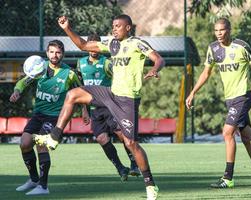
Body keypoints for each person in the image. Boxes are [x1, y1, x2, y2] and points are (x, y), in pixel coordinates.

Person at [34, 14, 165, 200]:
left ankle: (150, 184)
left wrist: (154, 69)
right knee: (73, 94)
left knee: (131, 144)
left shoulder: (137, 43)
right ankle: (54, 137)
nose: (114, 28)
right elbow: (83, 45)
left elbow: (159, 58)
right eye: (113, 25)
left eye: (118, 26)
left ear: (128, 28)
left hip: (127, 100)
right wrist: (67, 28)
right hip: (110, 94)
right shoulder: (112, 43)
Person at [186, 18, 251, 189]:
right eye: (216, 30)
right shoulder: (213, 49)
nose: (219, 33)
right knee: (247, 139)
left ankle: (228, 178)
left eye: (222, 30)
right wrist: (193, 92)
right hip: (230, 99)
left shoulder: (241, 46)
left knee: (227, 133)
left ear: (229, 30)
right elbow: (206, 72)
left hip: (243, 96)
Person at [10, 40, 86, 195]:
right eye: (51, 52)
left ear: (62, 54)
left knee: (40, 143)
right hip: (38, 114)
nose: (54, 55)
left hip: (55, 117)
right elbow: (23, 81)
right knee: (24, 143)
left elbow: (82, 91)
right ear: (47, 53)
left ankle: (43, 187)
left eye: (58, 52)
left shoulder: (69, 74)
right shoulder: (40, 67)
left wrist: (85, 110)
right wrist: (17, 91)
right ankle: (34, 179)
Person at [76, 33, 140, 179]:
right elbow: (82, 88)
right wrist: (84, 110)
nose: (93, 49)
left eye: (95, 45)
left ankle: (134, 163)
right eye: (90, 44)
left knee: (121, 134)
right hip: (94, 109)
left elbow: (119, 77)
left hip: (109, 106)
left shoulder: (107, 62)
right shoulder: (81, 63)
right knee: (101, 139)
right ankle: (120, 167)